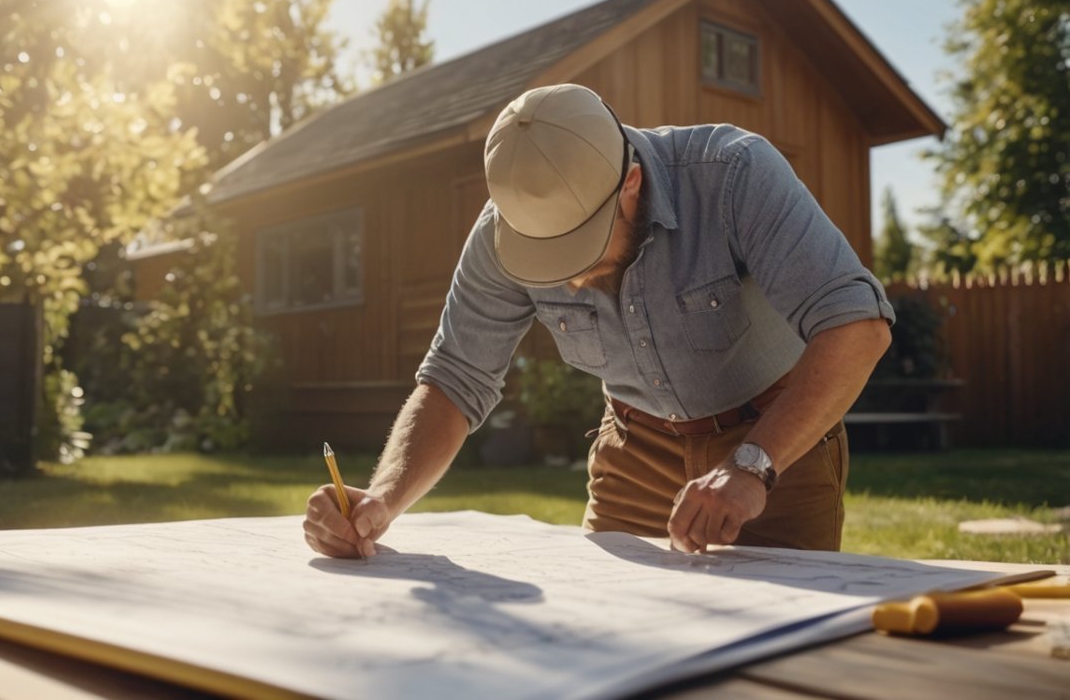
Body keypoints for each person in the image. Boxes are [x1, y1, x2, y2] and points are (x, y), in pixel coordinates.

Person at [303, 83, 892, 558]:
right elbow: (455, 379)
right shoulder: (503, 232)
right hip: (633, 452)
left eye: (582, 248)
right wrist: (381, 499)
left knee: (783, 648)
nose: (570, 279)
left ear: (629, 183)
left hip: (772, 442)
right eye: (546, 257)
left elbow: (858, 327)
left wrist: (750, 465)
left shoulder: (734, 175)